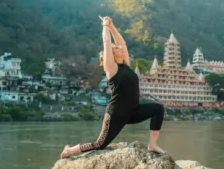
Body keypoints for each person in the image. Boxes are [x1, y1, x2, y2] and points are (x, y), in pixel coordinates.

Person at [60, 16, 165, 158]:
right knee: (99, 144)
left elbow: (121, 42)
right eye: (115, 48)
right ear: (111, 54)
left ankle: (152, 145)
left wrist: (112, 26)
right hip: (116, 113)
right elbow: (107, 42)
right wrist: (104, 26)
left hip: (133, 111)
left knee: (158, 109)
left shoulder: (126, 65)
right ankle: (69, 151)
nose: (119, 47)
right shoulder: (111, 68)